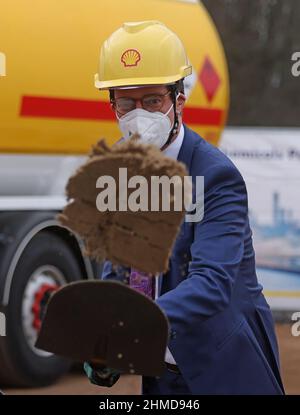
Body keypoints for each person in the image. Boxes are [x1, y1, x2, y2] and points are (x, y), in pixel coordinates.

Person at [85, 20, 284, 395]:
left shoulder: (215, 176)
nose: (138, 114)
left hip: (223, 367)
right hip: (160, 374)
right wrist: (108, 344)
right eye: (126, 102)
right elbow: (121, 272)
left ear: (178, 100)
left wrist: (133, 322)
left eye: (152, 100)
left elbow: (211, 283)